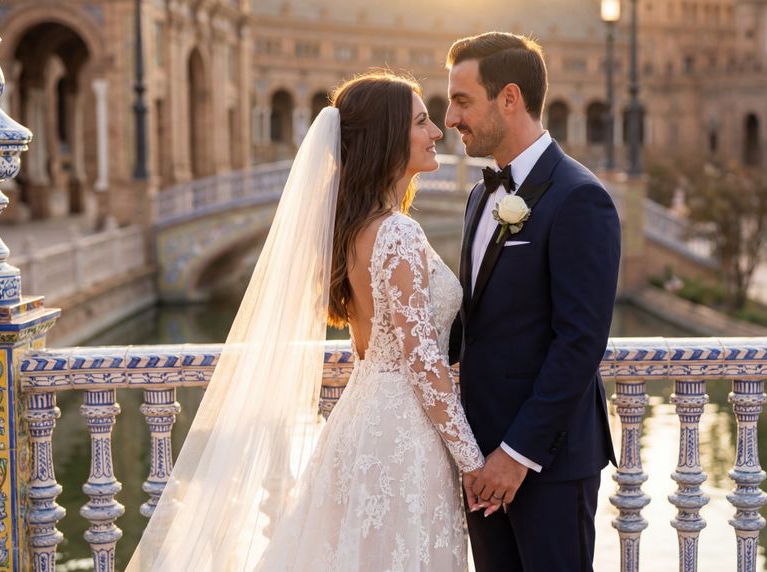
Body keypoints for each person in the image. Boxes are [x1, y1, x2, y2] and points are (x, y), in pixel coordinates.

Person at [128, 71, 489, 571]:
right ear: (387, 136)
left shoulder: (351, 229)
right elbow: (423, 363)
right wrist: (474, 461)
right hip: (404, 433)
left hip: (361, 420)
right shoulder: (397, 233)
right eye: (422, 121)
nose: (436, 132)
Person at [445, 32, 622, 571]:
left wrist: (516, 455)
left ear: (509, 98)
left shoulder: (580, 197)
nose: (451, 118)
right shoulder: (480, 196)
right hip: (480, 462)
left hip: (548, 463)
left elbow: (580, 343)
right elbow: (478, 324)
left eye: (462, 101)